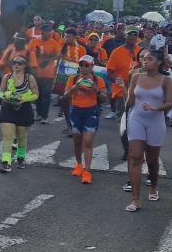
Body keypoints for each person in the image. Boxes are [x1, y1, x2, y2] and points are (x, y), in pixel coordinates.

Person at [124, 49, 172, 211]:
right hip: (136, 119)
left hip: (156, 121)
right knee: (135, 157)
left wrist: (156, 108)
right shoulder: (136, 77)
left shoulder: (167, 80)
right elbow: (130, 100)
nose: (145, 61)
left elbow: (171, 103)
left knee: (152, 161)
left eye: (150, 59)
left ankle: (153, 186)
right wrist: (123, 112)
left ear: (159, 62)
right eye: (144, 59)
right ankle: (135, 199)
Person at [64, 55, 106, 184]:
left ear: (92, 66)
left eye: (86, 65)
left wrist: (97, 91)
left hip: (91, 112)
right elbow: (65, 96)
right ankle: (78, 165)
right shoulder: (73, 79)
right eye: (81, 65)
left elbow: (104, 99)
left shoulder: (98, 80)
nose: (83, 68)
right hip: (76, 111)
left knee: (87, 141)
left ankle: (87, 171)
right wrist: (74, 88)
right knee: (77, 141)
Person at [0, 55, 40, 173]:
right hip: (8, 109)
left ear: (25, 66)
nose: (16, 65)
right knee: (8, 137)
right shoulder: (7, 77)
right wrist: (6, 97)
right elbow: (0, 92)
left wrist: (24, 99)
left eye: (20, 63)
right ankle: (6, 163)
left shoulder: (29, 77)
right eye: (14, 62)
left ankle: (20, 158)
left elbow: (36, 94)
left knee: (21, 137)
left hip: (24, 109)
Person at [29, 24, 62, 124]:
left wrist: (48, 59)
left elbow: (58, 55)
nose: (49, 33)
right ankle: (39, 114)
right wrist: (37, 54)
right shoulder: (34, 41)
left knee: (46, 95)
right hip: (36, 72)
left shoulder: (54, 43)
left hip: (49, 74)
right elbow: (29, 53)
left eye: (50, 31)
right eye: (47, 31)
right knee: (37, 95)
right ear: (42, 31)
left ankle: (45, 116)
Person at [105, 27, 140, 119]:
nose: (132, 36)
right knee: (123, 121)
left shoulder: (141, 52)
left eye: (135, 34)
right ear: (125, 36)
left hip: (138, 92)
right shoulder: (116, 52)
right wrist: (119, 81)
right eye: (130, 34)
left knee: (136, 120)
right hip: (121, 92)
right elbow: (109, 73)